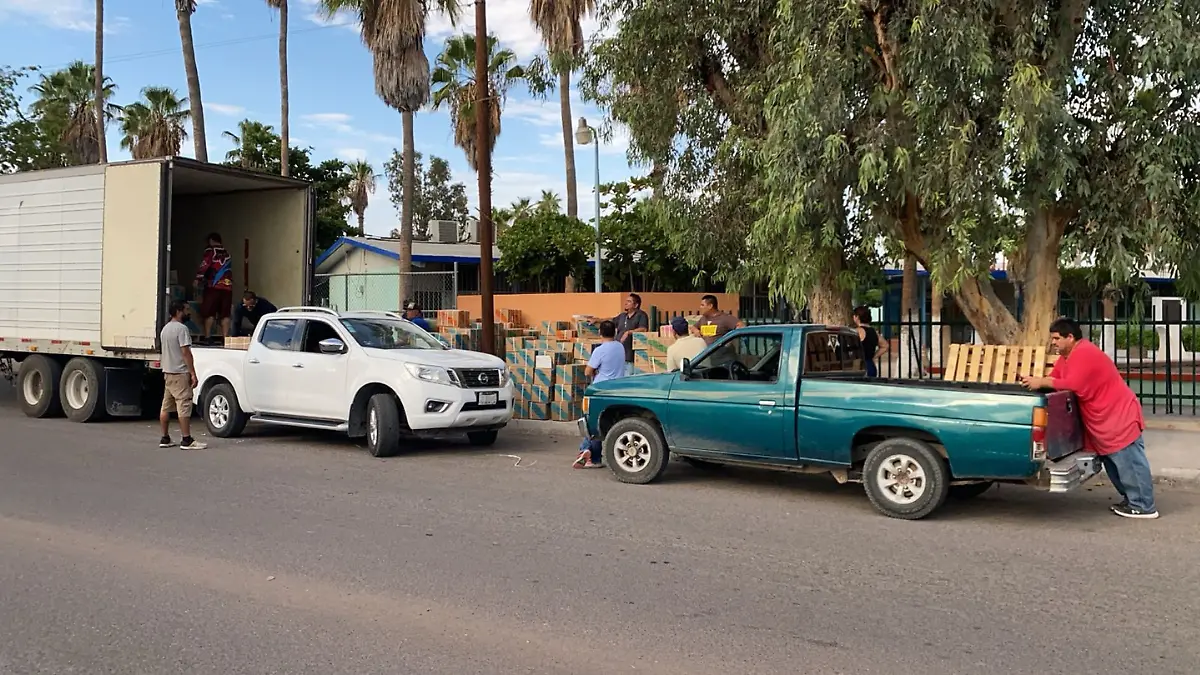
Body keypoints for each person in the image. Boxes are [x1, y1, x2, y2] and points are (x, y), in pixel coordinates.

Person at [1019, 317, 1157, 519]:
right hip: (1106, 420)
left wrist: (1041, 381)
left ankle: (1144, 506)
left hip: (1118, 417)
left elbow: (1073, 383)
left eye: (1057, 338)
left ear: (1071, 337)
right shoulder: (1067, 356)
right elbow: (1057, 381)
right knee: (1116, 464)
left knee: (1129, 463)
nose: (1054, 343)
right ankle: (1132, 501)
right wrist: (1036, 383)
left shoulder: (1084, 352)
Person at [576, 320, 626, 468]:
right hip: (617, 389)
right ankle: (594, 457)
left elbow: (588, 371)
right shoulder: (620, 347)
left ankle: (586, 451)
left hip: (600, 389)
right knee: (604, 422)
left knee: (592, 421)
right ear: (615, 332)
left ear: (600, 333)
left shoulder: (600, 350)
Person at [159, 301, 207, 450]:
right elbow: (185, 352)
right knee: (184, 405)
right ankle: (186, 439)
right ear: (179, 311)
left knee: (166, 406)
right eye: (186, 309)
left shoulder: (165, 329)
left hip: (168, 372)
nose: (188, 312)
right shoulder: (182, 329)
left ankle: (165, 437)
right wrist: (192, 373)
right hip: (180, 373)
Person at [195, 232, 234, 341]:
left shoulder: (210, 251)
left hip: (213, 286)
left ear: (211, 240)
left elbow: (204, 265)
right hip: (227, 287)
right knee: (225, 314)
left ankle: (207, 337)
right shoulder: (227, 253)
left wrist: (198, 279)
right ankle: (225, 338)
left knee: (209, 312)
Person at [612, 293, 649, 376]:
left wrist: (628, 332)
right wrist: (597, 320)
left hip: (631, 357)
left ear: (636, 305)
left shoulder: (641, 315)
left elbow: (643, 329)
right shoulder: (622, 316)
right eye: (626, 301)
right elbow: (611, 320)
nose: (626, 303)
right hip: (619, 356)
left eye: (629, 301)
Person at [852, 305, 889, 377]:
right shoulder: (874, 332)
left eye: (854, 315)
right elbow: (885, 346)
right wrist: (873, 357)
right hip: (870, 365)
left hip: (860, 366)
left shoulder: (857, 331)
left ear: (857, 317)